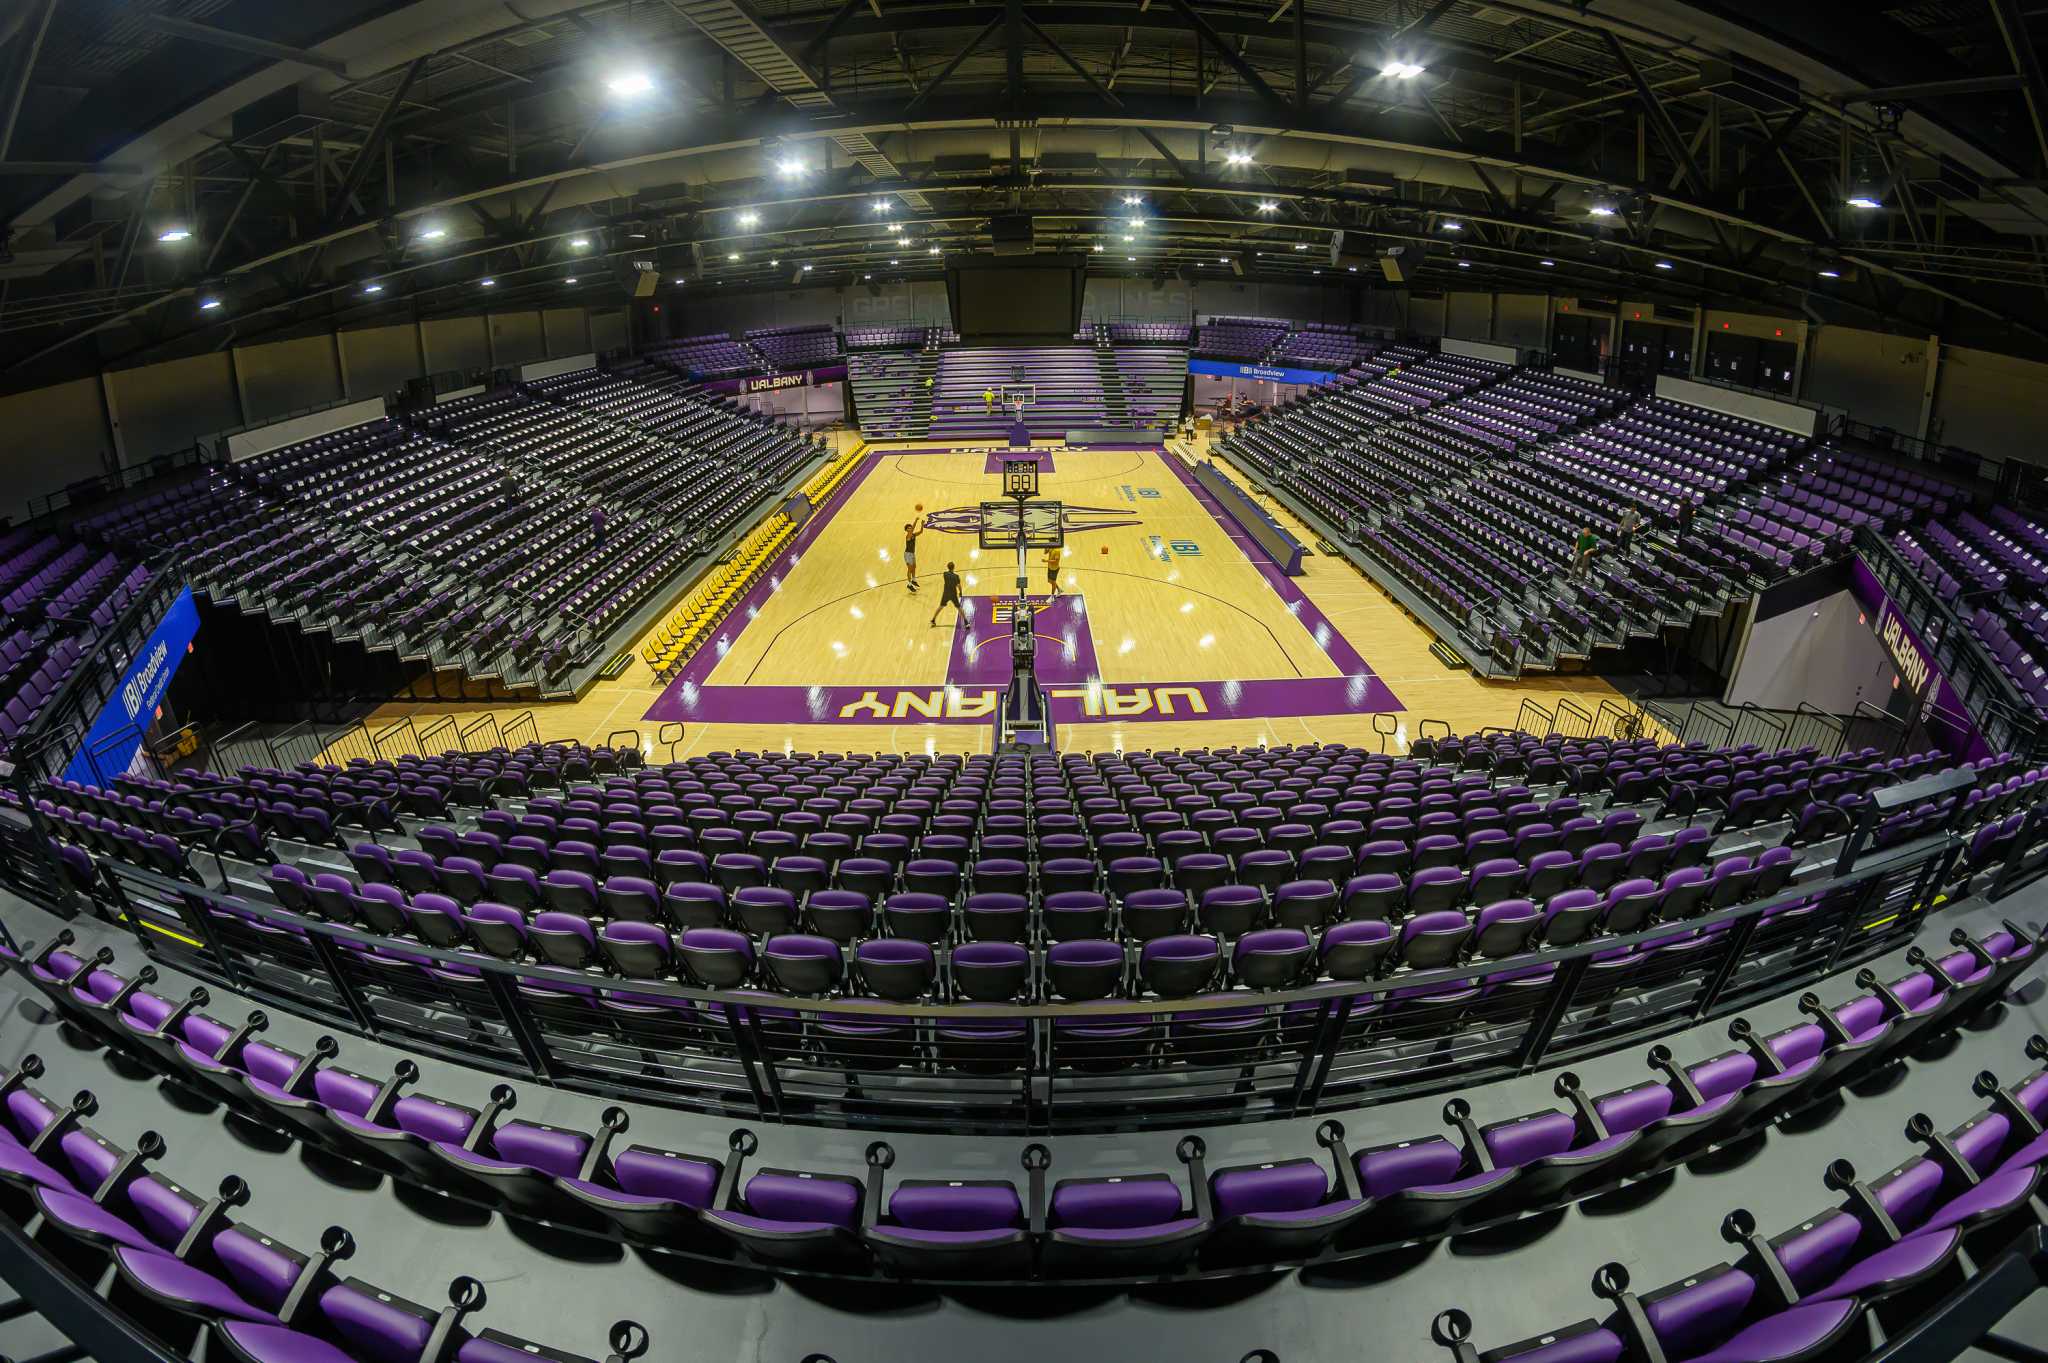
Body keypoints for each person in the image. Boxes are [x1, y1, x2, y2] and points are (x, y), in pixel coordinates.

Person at [931, 561, 963, 626]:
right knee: (959, 608)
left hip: (946, 594)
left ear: (948, 567)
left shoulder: (945, 574)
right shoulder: (956, 576)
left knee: (941, 606)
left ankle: (933, 619)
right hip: (953, 594)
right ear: (954, 567)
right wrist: (960, 592)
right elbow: (958, 586)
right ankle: (966, 622)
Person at [903, 518, 922, 593]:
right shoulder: (908, 535)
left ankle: (913, 580)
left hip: (912, 553)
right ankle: (909, 584)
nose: (910, 528)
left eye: (910, 527)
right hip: (908, 554)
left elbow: (920, 532)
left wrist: (922, 525)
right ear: (906, 530)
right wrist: (915, 521)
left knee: (914, 567)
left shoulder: (913, 535)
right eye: (908, 528)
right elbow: (913, 529)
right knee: (910, 569)